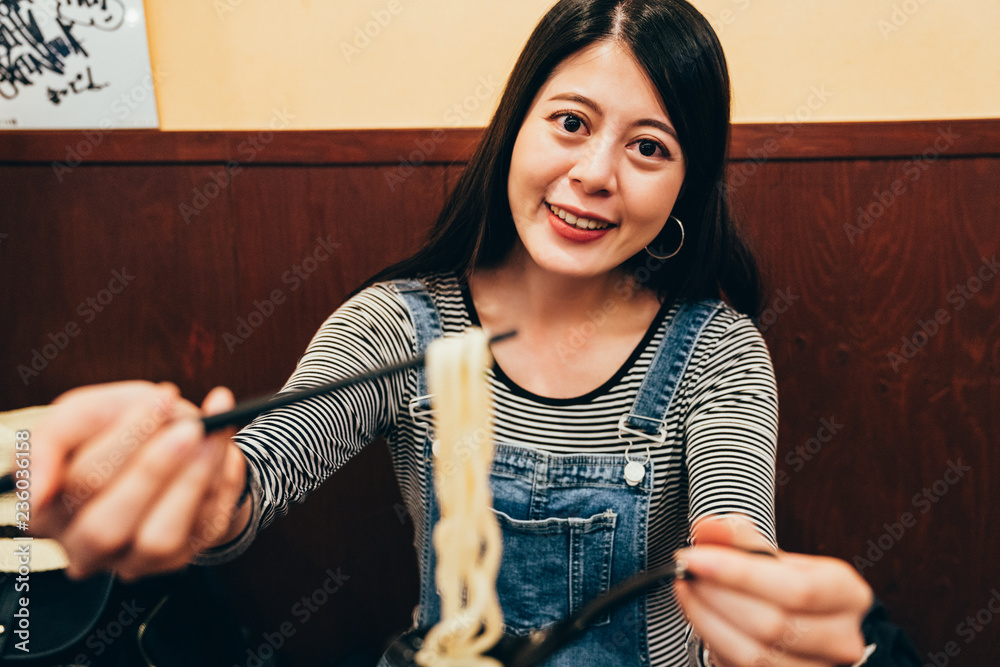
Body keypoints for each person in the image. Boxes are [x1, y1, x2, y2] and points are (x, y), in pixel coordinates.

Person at [30, 1, 901, 665]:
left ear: (685, 187)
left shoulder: (715, 350)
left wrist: (781, 621)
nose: (594, 174)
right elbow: (256, 472)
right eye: (570, 122)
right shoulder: (403, 324)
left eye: (649, 147)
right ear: (515, 125)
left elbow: (739, 539)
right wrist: (188, 490)